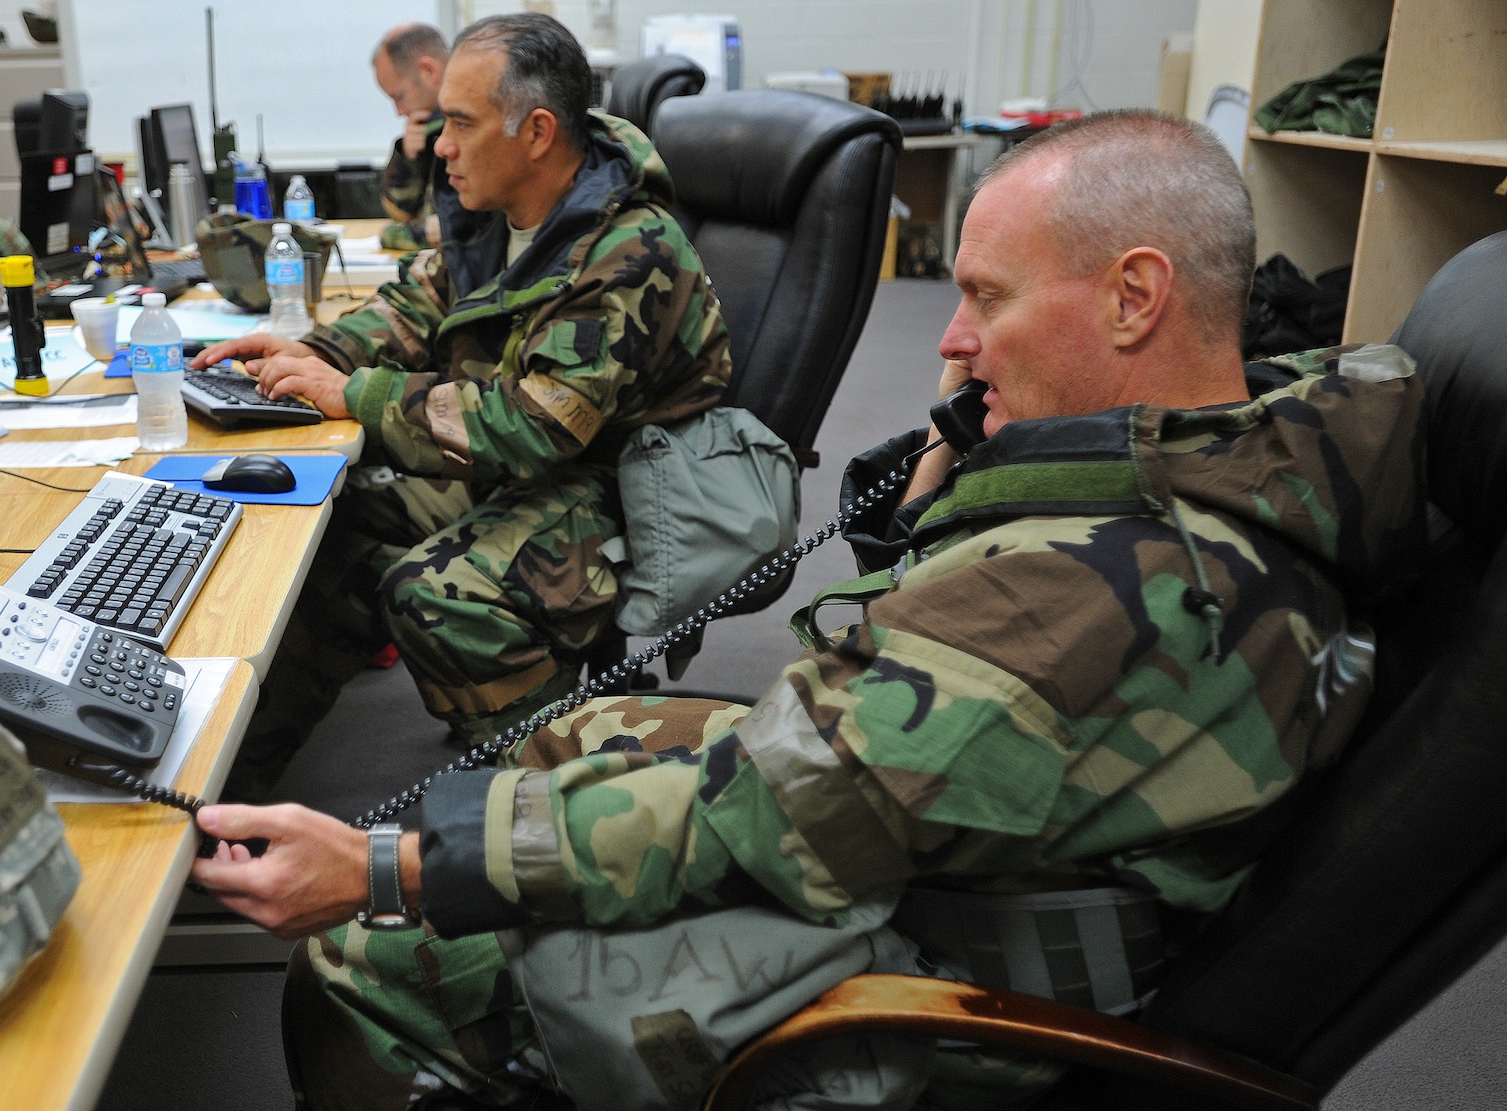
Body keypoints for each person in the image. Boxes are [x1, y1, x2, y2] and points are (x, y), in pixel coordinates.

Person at [189, 108, 1427, 1111]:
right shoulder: (1238, 448)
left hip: (933, 988)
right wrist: (963, 472)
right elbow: (885, 674)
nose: (952, 339)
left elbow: (765, 816)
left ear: (1132, 296)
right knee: (563, 742)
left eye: (985, 297)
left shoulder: (1083, 597)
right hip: (974, 835)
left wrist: (387, 869)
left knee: (360, 967)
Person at [194, 14, 730, 804]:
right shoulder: (502, 216)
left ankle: (562, 803)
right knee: (334, 523)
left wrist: (357, 394)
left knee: (434, 589)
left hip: (624, 484)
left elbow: (533, 426)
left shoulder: (628, 251)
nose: (440, 146)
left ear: (537, 131)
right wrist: (315, 355)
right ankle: (225, 790)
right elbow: (418, 306)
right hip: (537, 466)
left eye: (461, 123)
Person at [373, 23, 450, 251]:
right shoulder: (430, 129)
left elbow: (447, 232)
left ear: (429, 72)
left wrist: (391, 234)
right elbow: (400, 213)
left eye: (400, 96)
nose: (399, 112)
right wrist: (408, 158)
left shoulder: (474, 127)